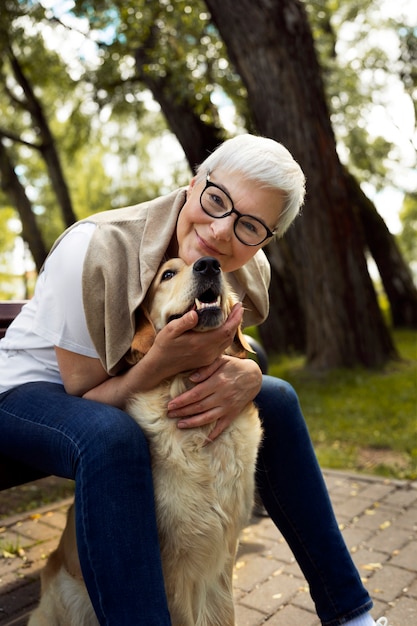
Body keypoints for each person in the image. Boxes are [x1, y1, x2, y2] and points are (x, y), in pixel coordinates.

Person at [0, 134, 389, 626]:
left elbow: (234, 348)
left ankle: (351, 614)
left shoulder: (236, 266)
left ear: (264, 241)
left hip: (125, 381)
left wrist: (250, 373)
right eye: (217, 199)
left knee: (279, 397)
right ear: (193, 184)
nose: (223, 232)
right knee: (110, 437)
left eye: (249, 225)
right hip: (28, 392)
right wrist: (161, 362)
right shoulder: (94, 248)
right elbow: (83, 397)